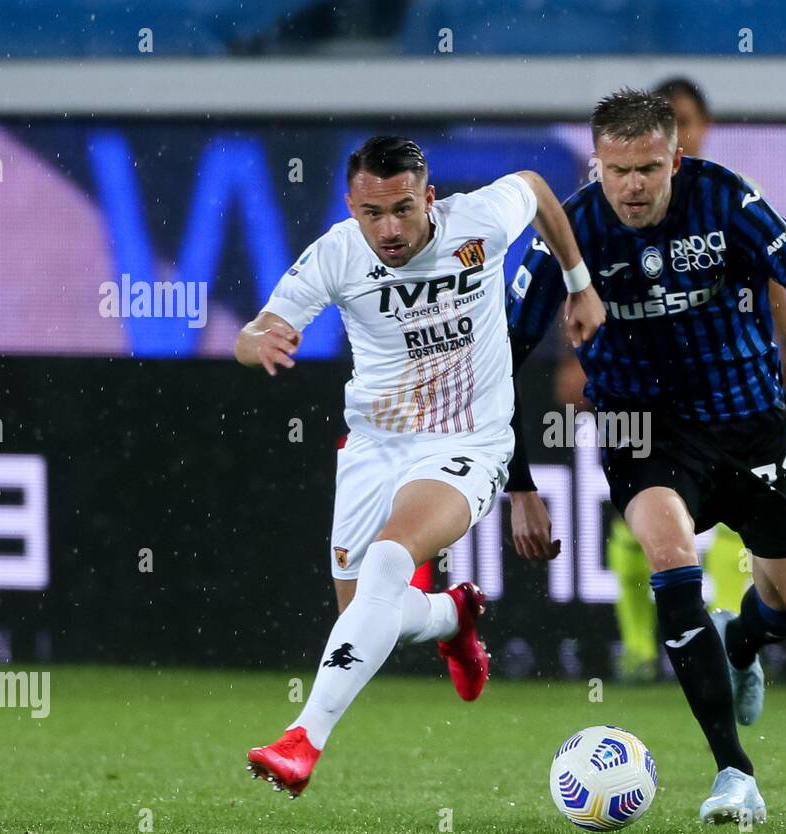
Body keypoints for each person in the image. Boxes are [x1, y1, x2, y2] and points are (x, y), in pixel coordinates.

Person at [508, 89, 786, 824]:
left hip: (750, 422)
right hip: (640, 430)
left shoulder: (726, 200)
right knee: (668, 553)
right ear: (598, 164)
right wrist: (520, 484)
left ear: (675, 159)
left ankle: (739, 641)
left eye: (648, 167)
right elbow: (502, 355)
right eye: (616, 169)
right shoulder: (571, 228)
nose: (633, 186)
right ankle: (733, 773)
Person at [237, 136, 603, 797]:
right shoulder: (337, 253)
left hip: (467, 441)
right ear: (351, 206)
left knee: (386, 562)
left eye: (402, 209)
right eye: (372, 213)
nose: (388, 229)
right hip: (374, 446)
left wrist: (580, 284)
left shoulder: (478, 222)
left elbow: (539, 188)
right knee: (363, 616)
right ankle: (449, 617)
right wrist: (256, 338)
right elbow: (252, 331)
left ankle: (302, 739)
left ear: (428, 198)